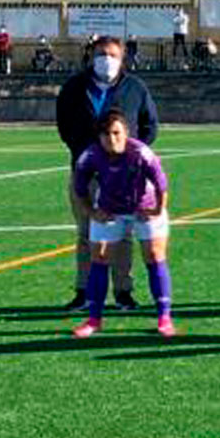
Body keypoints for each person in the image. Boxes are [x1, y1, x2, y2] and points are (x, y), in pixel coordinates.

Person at [56, 35, 160, 311]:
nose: (107, 59)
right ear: (92, 55)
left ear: (122, 57)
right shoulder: (75, 87)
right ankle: (84, 291)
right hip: (86, 172)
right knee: (86, 232)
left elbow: (150, 125)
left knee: (122, 234)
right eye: (101, 53)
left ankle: (123, 292)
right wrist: (84, 154)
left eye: (112, 54)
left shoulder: (135, 88)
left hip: (124, 178)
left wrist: (131, 156)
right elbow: (64, 124)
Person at [70, 110, 175, 339]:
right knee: (99, 257)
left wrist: (157, 210)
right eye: (106, 134)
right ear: (99, 137)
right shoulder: (90, 155)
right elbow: (79, 189)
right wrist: (92, 212)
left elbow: (161, 184)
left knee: (155, 256)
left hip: (143, 207)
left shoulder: (141, 152)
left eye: (117, 133)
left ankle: (164, 318)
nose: (112, 139)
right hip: (110, 209)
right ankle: (94, 320)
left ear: (126, 132)